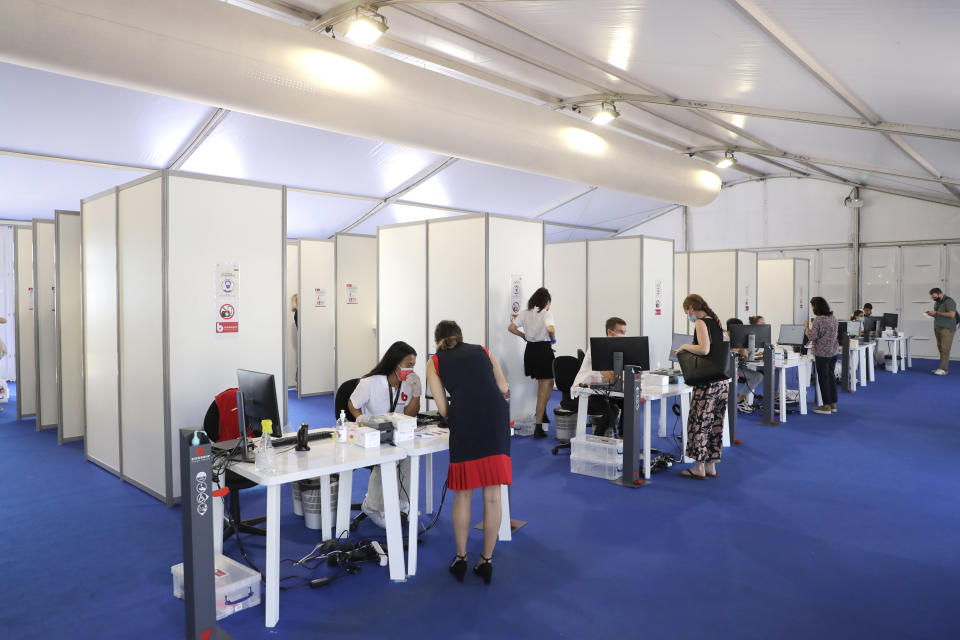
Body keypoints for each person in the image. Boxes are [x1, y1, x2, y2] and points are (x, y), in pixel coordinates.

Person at [427, 320, 510, 585]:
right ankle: (486, 560)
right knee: (493, 496)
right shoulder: (484, 351)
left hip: (464, 421)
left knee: (463, 494)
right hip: (495, 419)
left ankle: (461, 557)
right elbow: (503, 387)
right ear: (461, 337)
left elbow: (442, 408)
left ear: (437, 340)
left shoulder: (435, 362)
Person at [348, 341, 422, 528]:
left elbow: (410, 415)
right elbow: (352, 404)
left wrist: (416, 393)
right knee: (389, 456)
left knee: (410, 456)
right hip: (373, 434)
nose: (411, 369)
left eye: (413, 365)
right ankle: (373, 506)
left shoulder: (407, 384)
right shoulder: (369, 383)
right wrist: (360, 420)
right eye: (408, 364)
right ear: (395, 363)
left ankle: (403, 504)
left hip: (397, 434)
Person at [675, 295, 730, 480]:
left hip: (707, 382)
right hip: (721, 382)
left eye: (686, 311)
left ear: (691, 307)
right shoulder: (715, 321)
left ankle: (698, 467)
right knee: (715, 423)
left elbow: (704, 349)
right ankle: (711, 466)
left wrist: (684, 346)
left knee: (699, 422)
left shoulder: (700, 322)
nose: (687, 315)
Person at [507, 287, 555, 439]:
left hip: (531, 351)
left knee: (547, 383)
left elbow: (511, 328)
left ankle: (543, 413)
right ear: (546, 301)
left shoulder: (525, 313)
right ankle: (538, 425)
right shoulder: (546, 313)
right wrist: (552, 335)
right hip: (543, 351)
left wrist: (524, 336)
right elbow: (550, 328)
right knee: (544, 388)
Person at [573, 317, 627, 437]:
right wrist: (623, 379)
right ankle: (597, 439)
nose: (623, 335)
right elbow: (608, 374)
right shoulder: (597, 348)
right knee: (612, 410)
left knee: (628, 402)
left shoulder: (616, 349)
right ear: (609, 332)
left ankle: (624, 440)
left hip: (602, 390)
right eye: (620, 332)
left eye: (625, 332)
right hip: (586, 391)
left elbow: (614, 376)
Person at [805, 297, 839, 415]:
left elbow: (812, 337)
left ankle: (826, 406)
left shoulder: (818, 320)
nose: (812, 309)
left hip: (822, 354)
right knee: (830, 377)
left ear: (817, 307)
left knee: (823, 379)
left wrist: (806, 327)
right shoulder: (833, 318)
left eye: (813, 306)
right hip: (833, 352)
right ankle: (833, 403)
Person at [726, 318, 763, 415]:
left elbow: (745, 354)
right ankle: (739, 401)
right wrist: (741, 349)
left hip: (737, 366)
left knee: (757, 376)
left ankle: (740, 399)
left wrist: (748, 350)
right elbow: (736, 352)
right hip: (727, 368)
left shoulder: (736, 338)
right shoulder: (724, 338)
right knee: (756, 376)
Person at [926, 288, 957, 376]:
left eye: (934, 297)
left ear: (939, 293)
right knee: (941, 348)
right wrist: (932, 314)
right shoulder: (938, 302)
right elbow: (938, 313)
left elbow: (952, 314)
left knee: (945, 349)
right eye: (932, 298)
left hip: (947, 328)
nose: (934, 299)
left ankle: (943, 369)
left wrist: (937, 313)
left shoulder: (949, 301)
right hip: (938, 327)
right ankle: (941, 368)